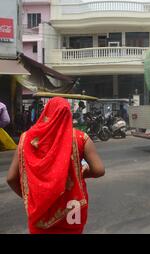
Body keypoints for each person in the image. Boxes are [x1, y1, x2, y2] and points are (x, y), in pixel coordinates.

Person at [6, 97, 105, 234]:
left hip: (40, 211)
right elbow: (99, 170)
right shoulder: (80, 138)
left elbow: (11, 178)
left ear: (45, 113)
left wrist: (32, 197)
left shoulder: (25, 139)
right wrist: (82, 172)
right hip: (72, 209)